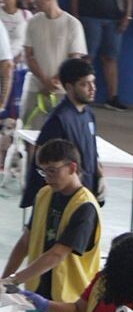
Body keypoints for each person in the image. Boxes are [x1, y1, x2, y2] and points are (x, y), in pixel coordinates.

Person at [2, 137, 101, 312]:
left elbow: (57, 254)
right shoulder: (44, 194)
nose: (48, 177)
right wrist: (4, 278)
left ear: (72, 167)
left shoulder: (85, 208)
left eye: (53, 171)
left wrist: (14, 280)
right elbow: (26, 241)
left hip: (66, 305)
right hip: (35, 297)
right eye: (43, 172)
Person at [21, 54, 101, 209]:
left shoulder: (89, 114)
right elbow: (43, 162)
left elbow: (92, 150)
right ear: (69, 87)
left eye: (93, 82)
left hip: (86, 194)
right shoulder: (59, 120)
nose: (92, 89)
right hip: (64, 198)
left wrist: (100, 175)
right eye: (84, 84)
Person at [21, 0, 87, 125]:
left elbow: (74, 60)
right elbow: (29, 56)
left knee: (58, 134)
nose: (33, 1)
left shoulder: (72, 24)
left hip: (62, 91)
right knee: (27, 129)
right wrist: (44, 81)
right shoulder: (32, 22)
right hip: (34, 87)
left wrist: (54, 83)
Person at [67, 0, 131, 109]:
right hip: (89, 17)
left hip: (114, 20)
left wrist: (127, 16)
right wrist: (75, 19)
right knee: (87, 57)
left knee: (111, 58)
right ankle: (81, 95)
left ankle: (112, 98)